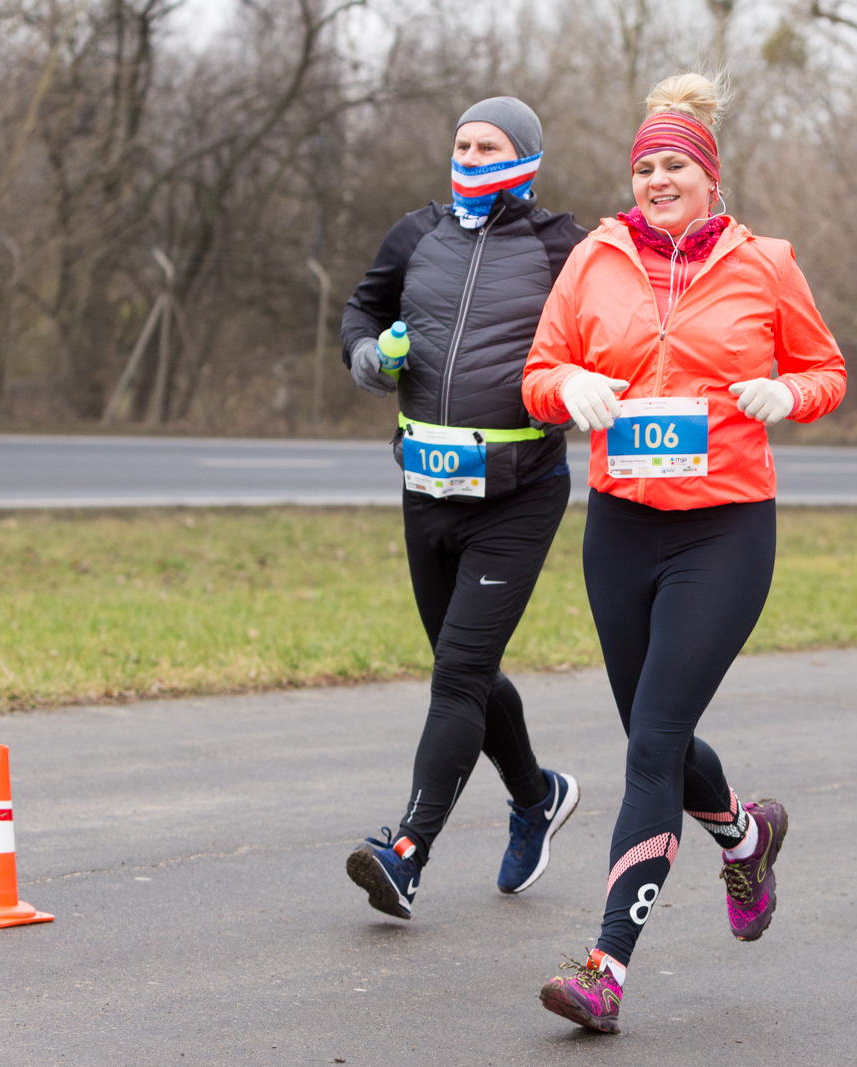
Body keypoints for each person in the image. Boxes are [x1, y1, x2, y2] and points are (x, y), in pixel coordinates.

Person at [520, 72, 846, 1033]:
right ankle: (744, 837)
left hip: (724, 527)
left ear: (708, 176)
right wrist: (567, 383)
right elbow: (539, 373)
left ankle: (604, 968)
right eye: (645, 167)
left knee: (654, 742)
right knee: (649, 732)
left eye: (675, 166)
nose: (658, 179)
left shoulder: (766, 262)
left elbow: (824, 369)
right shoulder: (592, 258)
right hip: (622, 527)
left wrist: (791, 397)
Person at [339, 96, 589, 919]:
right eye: (462, 143)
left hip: (518, 494)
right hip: (425, 485)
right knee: (465, 666)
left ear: (524, 156)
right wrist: (373, 356)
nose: (471, 155)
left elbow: (610, 332)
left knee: (456, 674)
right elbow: (361, 312)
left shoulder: (562, 245)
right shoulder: (417, 233)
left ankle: (406, 851)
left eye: (489, 145)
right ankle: (536, 794)